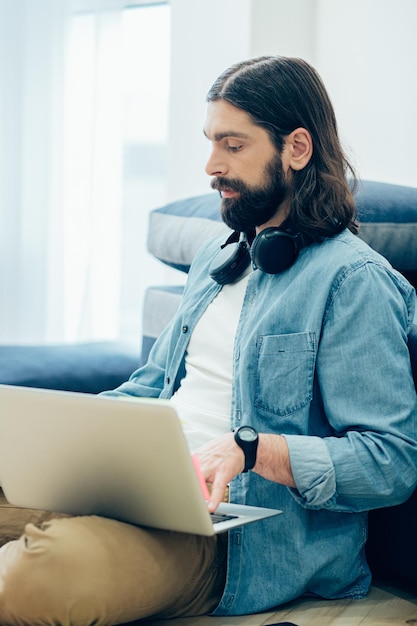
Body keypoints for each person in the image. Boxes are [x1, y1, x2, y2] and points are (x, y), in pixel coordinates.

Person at [0, 55, 416, 626]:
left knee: (39, 575)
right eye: (209, 142)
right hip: (145, 485)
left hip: (241, 541)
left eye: (233, 145)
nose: (211, 165)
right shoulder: (216, 258)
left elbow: (392, 462)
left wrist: (253, 449)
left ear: (297, 148)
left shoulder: (353, 282)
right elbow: (149, 388)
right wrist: (56, 436)